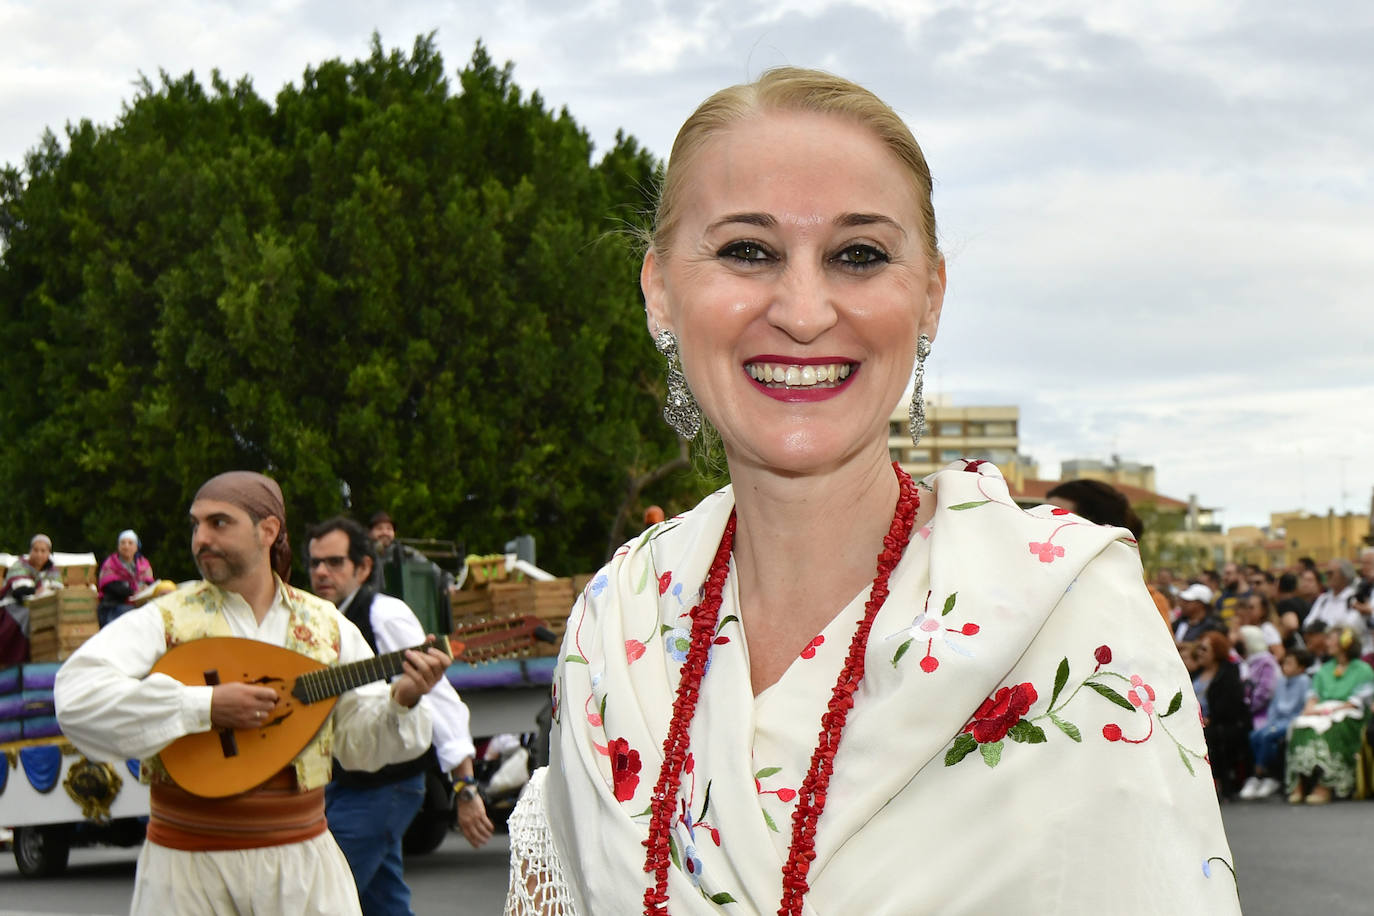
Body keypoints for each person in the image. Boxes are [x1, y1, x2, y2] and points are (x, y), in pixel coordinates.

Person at [504, 68, 1238, 915]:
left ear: (930, 296)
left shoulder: (1073, 618)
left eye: (860, 255)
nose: (805, 309)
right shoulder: (614, 621)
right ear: (660, 289)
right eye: (749, 250)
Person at [53, 471, 451, 916]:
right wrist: (202, 706)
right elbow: (77, 696)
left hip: (300, 868)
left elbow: (358, 745)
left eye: (219, 523)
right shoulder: (166, 618)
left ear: (268, 530)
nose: (200, 538)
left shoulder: (325, 625)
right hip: (186, 871)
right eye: (196, 524)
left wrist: (404, 699)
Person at [306, 516, 493, 915]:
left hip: (386, 786)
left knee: (324, 896)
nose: (321, 572)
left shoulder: (383, 614)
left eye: (334, 562)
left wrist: (465, 787)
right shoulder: (316, 621)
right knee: (383, 903)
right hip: (343, 782)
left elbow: (438, 698)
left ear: (364, 567)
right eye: (315, 563)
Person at [1045, 479, 1171, 627]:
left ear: (1095, 529)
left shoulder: (1145, 603)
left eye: (1055, 517)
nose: (1041, 526)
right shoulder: (1044, 590)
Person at [1285, 627, 1374, 804]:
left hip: (1348, 712)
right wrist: (1310, 709)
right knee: (1300, 725)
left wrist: (1331, 710)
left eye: (1332, 639)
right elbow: (1313, 696)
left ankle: (1325, 785)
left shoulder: (1363, 669)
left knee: (1333, 729)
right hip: (1322, 710)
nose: (1328, 642)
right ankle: (1298, 785)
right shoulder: (1325, 669)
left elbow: (1358, 701)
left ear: (1346, 643)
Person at [1239, 649, 1312, 800]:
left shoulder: (1305, 681)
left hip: (1293, 720)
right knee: (1255, 735)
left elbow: (1303, 706)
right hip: (1277, 721)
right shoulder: (1281, 681)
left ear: (1301, 668)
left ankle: (1260, 773)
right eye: (1285, 663)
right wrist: (1269, 723)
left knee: (1267, 736)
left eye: (1290, 664)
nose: (1285, 666)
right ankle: (1264, 775)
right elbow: (1273, 706)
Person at [1192, 630, 1252, 800]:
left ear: (1216, 651)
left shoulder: (1228, 673)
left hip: (1223, 722)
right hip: (1197, 720)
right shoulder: (1197, 673)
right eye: (1199, 649)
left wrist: (1209, 719)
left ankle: (1216, 783)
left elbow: (1230, 704)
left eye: (1204, 649)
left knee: (1210, 736)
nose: (1199, 653)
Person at [1, 533, 64, 639]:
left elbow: (58, 590)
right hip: (14, 605)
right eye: (36, 550)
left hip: (43, 605)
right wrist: (36, 591)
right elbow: (19, 592)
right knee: (30, 616)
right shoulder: (20, 565)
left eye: (43, 551)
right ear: (30, 551)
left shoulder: (53, 571)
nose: (39, 554)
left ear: (49, 553)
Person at [97, 529, 157, 627]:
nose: (126, 546)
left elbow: (149, 582)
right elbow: (110, 585)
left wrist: (145, 589)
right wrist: (133, 592)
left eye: (130, 543)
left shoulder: (143, 563)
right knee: (129, 614)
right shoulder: (110, 563)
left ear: (136, 547)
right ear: (118, 546)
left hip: (139, 604)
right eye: (123, 543)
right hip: (113, 606)